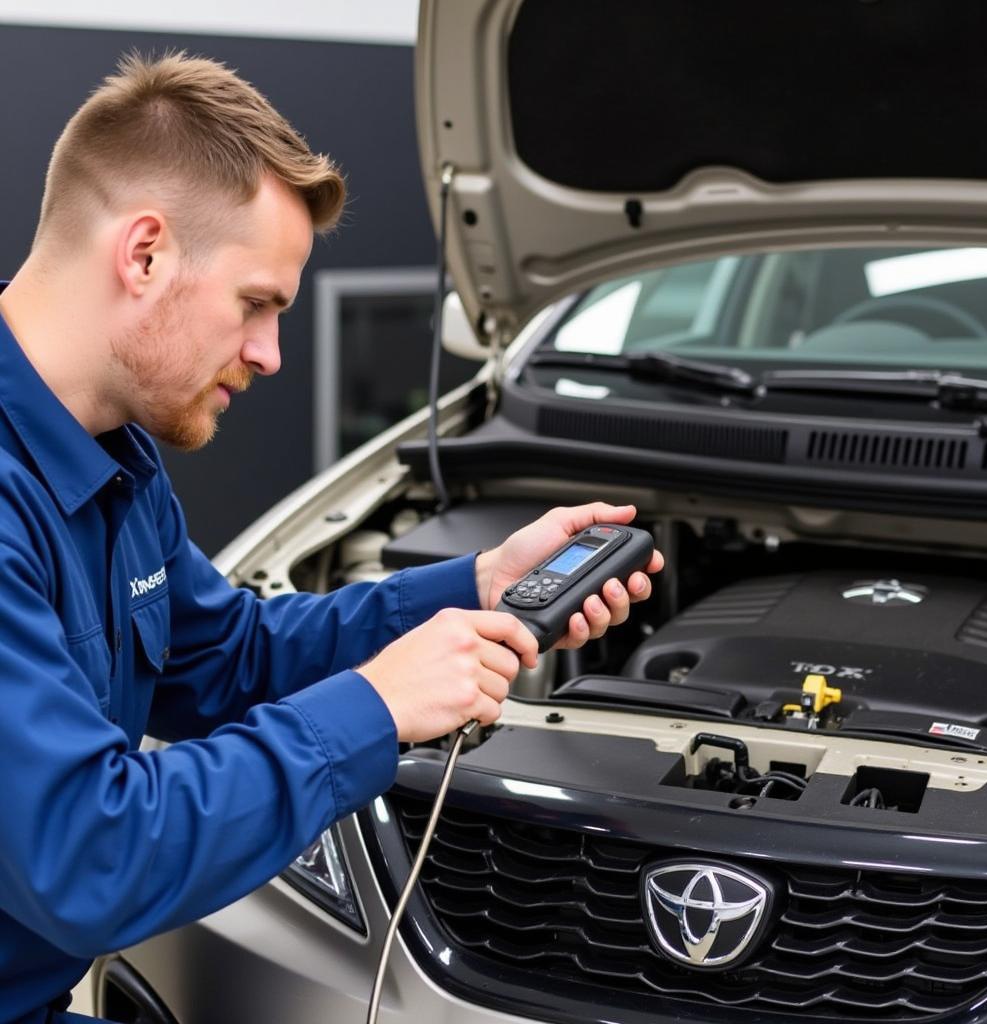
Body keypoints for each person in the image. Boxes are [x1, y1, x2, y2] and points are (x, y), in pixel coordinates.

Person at [0, 52, 663, 1024]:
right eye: (257, 304)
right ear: (143, 255)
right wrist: (373, 707)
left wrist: (479, 587)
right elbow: (93, 857)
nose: (270, 353)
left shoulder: (116, 461)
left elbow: (230, 656)